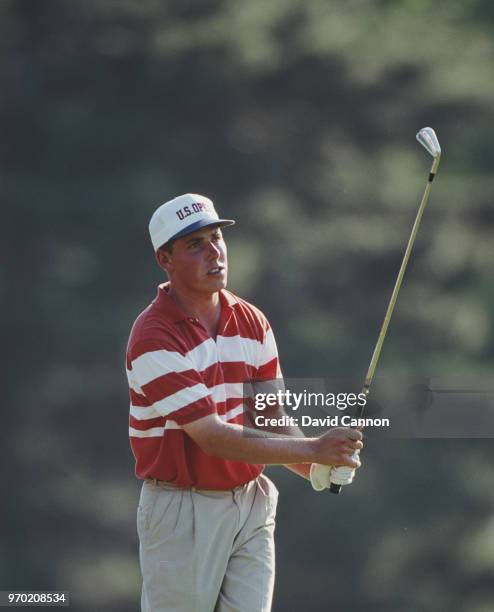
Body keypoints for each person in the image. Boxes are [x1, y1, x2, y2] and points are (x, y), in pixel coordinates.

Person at [125, 193, 363, 612]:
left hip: (250, 502)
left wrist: (319, 467)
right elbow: (212, 436)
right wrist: (312, 449)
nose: (214, 252)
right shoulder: (153, 336)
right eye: (195, 245)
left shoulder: (252, 322)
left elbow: (271, 418)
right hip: (182, 509)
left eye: (216, 238)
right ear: (165, 259)